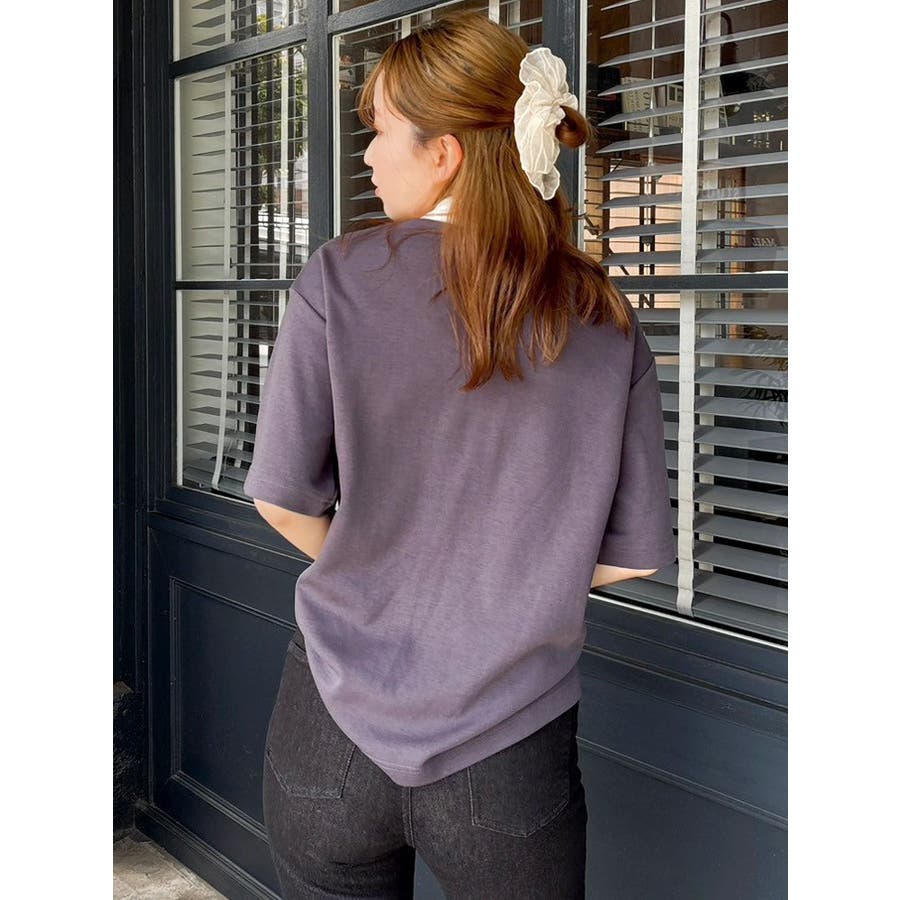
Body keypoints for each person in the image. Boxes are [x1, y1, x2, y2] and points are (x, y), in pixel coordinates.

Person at [243, 10, 675, 899]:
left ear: (442, 153)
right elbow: (633, 556)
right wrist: (509, 591)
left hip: (333, 725)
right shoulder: (603, 315)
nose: (368, 157)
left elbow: (282, 499)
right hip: (510, 748)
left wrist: (382, 572)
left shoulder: (339, 277)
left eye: (378, 133)